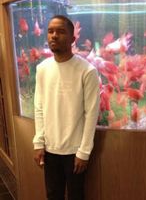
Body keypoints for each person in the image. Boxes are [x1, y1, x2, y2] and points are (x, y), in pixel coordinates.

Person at [33, 15, 100, 200]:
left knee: (76, 196)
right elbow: (38, 107)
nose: (54, 35)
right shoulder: (42, 69)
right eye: (50, 31)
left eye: (61, 31)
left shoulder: (87, 71)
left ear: (73, 38)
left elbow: (91, 113)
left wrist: (84, 152)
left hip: (75, 151)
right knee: (53, 194)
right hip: (50, 149)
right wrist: (38, 142)